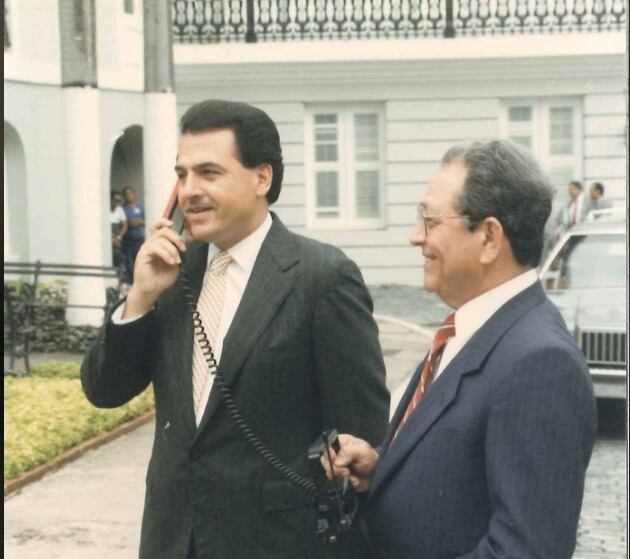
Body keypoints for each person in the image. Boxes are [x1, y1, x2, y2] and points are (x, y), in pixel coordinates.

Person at [81, 100, 390, 559]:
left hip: (276, 543)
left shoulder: (321, 276)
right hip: (172, 540)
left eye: (209, 173)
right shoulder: (169, 272)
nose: (189, 190)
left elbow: (361, 429)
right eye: (182, 174)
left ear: (261, 178)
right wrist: (140, 296)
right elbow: (104, 390)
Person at [322, 140, 597, 559]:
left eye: (430, 221)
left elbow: (524, 550)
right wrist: (384, 467)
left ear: (489, 237)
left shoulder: (540, 363)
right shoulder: (470, 329)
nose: (416, 237)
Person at [121, 185, 146, 283]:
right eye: (126, 194)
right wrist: (129, 224)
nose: (129, 196)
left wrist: (140, 222)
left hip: (140, 238)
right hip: (129, 240)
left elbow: (148, 220)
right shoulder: (123, 209)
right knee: (130, 264)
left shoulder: (141, 208)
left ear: (134, 194)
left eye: (130, 193)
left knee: (141, 261)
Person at [110, 190, 128, 282]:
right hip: (107, 234)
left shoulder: (119, 209)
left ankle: (121, 279)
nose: (117, 203)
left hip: (116, 234)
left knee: (119, 257)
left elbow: (125, 224)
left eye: (119, 201)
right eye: (115, 200)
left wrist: (119, 236)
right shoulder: (104, 208)